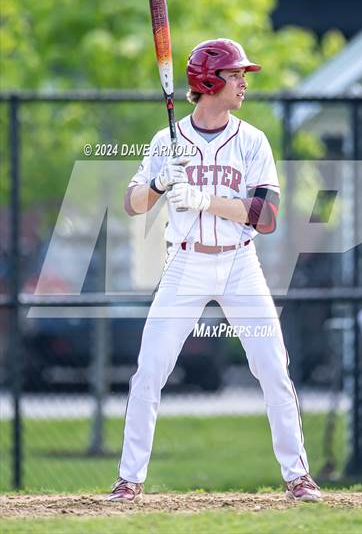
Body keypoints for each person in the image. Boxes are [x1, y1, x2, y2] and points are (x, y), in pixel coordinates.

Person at [106, 39, 322, 503]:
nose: (243, 83)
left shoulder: (252, 140)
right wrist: (160, 182)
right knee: (149, 371)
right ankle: (129, 479)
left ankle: (298, 476)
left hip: (241, 263)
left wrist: (206, 200)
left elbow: (266, 216)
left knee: (273, 368)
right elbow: (131, 203)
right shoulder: (166, 141)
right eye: (234, 75)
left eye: (243, 75)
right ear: (208, 81)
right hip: (185, 263)